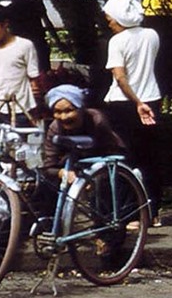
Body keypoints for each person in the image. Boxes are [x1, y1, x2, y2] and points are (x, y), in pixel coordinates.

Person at [101, 0, 162, 226]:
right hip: (152, 99)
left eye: (111, 20)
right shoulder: (152, 35)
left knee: (124, 160)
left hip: (124, 105)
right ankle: (153, 212)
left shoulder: (117, 42)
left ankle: (131, 214)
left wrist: (137, 102)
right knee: (150, 159)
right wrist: (145, 102)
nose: (110, 24)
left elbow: (120, 77)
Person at [39, 84, 127, 215]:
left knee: (106, 186)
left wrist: (94, 177)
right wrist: (63, 173)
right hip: (71, 164)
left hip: (99, 162)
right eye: (58, 112)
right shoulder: (55, 128)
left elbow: (111, 152)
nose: (63, 117)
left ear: (81, 108)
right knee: (45, 184)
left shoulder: (97, 121)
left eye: (69, 110)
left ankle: (107, 231)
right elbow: (49, 165)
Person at [0, 0, 40, 127]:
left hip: (19, 109)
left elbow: (34, 79)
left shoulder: (25, 46)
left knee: (17, 146)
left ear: (5, 24)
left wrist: (36, 109)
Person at [6, 0, 55, 72]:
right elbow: (47, 22)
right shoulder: (36, 2)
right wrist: (57, 41)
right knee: (43, 76)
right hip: (38, 44)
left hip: (19, 48)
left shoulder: (9, 9)